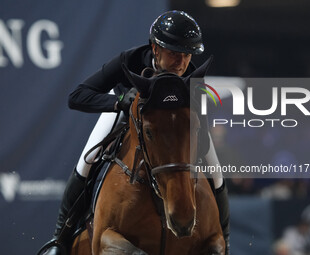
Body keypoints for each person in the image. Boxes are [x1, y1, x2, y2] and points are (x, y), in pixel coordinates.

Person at [40, 10, 230, 255]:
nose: (181, 63)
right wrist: (120, 100)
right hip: (123, 113)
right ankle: (59, 240)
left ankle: (225, 240)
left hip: (171, 128)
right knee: (86, 161)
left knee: (215, 170)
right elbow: (76, 97)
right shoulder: (128, 61)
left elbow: (194, 117)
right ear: (155, 48)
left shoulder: (192, 76)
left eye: (186, 55)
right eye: (174, 53)